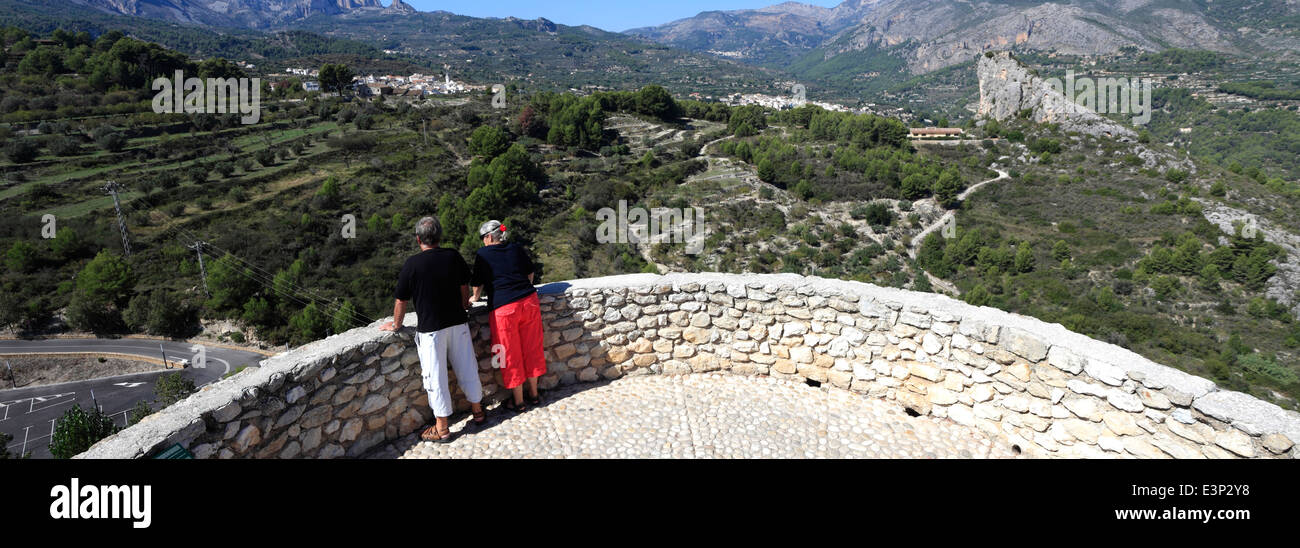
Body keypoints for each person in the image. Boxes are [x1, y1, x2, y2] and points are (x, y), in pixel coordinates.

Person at [380, 216, 485, 444]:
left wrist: (396, 325)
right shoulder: (452, 256)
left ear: (418, 239)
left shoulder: (412, 264)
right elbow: (463, 286)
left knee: (435, 378)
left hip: (431, 330)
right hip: (458, 322)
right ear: (439, 237)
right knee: (468, 367)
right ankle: (478, 412)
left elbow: (401, 301)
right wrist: (464, 305)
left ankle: (442, 429)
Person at [471, 220, 546, 412]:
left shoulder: (483, 254)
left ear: (488, 237)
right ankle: (535, 394)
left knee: (508, 354)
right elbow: (530, 274)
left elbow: (477, 284)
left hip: (504, 309)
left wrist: (474, 297)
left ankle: (519, 401)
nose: (482, 242)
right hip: (528, 301)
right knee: (532, 347)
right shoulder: (516, 248)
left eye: (483, 238)